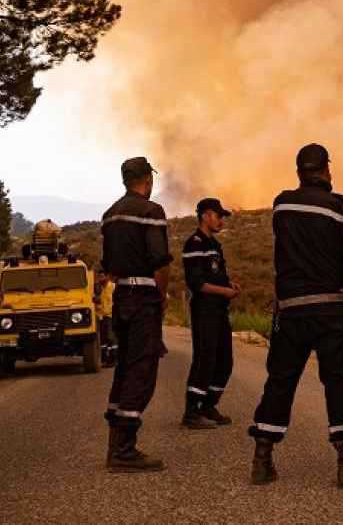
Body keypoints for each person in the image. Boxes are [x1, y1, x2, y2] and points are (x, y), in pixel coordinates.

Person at [248, 143, 343, 490]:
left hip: (291, 310)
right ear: (326, 170)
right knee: (337, 383)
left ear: (299, 172)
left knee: (280, 381)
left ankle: (262, 459)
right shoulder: (339, 207)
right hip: (331, 310)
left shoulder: (282, 204)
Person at [100, 157, 173, 473]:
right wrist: (161, 296)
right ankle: (124, 450)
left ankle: (114, 443)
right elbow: (161, 262)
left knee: (124, 368)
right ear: (147, 179)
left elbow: (108, 265)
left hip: (121, 299)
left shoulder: (109, 216)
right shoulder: (151, 212)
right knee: (142, 370)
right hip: (143, 297)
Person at [180, 197, 240, 429]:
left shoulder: (214, 245)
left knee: (225, 360)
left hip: (219, 310)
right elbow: (197, 283)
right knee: (205, 359)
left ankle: (208, 405)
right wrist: (223, 291)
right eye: (219, 215)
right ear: (205, 215)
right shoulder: (193, 244)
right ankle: (191, 412)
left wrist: (230, 285)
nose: (222, 220)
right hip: (204, 310)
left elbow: (218, 275)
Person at [94, 271, 116, 367]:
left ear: (107, 276)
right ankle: (104, 360)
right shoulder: (100, 289)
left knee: (111, 338)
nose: (100, 279)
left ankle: (113, 359)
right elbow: (98, 302)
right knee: (103, 340)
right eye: (99, 277)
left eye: (102, 277)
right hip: (102, 317)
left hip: (111, 316)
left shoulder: (114, 287)